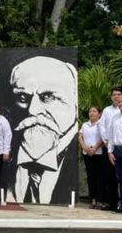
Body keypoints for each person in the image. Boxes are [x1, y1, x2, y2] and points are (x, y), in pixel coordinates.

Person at [7, 56, 78, 204]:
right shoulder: (8, 156)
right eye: (23, 97)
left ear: (74, 102)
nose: (33, 110)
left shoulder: (75, 155)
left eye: (48, 96)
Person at [79, 106, 106, 209]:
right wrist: (85, 147)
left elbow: (103, 138)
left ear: (99, 114)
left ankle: (100, 200)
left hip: (98, 153)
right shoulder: (85, 124)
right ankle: (93, 199)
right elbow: (80, 136)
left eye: (94, 111)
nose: (91, 113)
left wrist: (94, 148)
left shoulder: (101, 124)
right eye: (90, 111)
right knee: (91, 177)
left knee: (100, 177)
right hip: (87, 153)